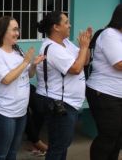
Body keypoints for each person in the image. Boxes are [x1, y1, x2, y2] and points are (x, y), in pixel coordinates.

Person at [0, 16, 44, 160]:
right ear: (3, 31)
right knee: (0, 154)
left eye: (18, 29)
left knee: (12, 153)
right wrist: (25, 62)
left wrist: (34, 64)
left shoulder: (18, 51)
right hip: (4, 112)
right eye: (14, 29)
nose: (18, 32)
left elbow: (28, 75)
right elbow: (6, 79)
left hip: (21, 112)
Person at [35, 11, 91, 160]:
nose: (69, 25)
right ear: (56, 27)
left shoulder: (65, 43)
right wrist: (84, 47)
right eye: (66, 22)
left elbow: (84, 61)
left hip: (68, 102)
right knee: (58, 147)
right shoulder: (52, 48)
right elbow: (76, 69)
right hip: (58, 103)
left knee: (62, 145)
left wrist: (86, 45)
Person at [86, 4, 122, 160]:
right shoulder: (110, 35)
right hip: (104, 94)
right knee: (108, 135)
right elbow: (119, 64)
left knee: (118, 137)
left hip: (117, 94)